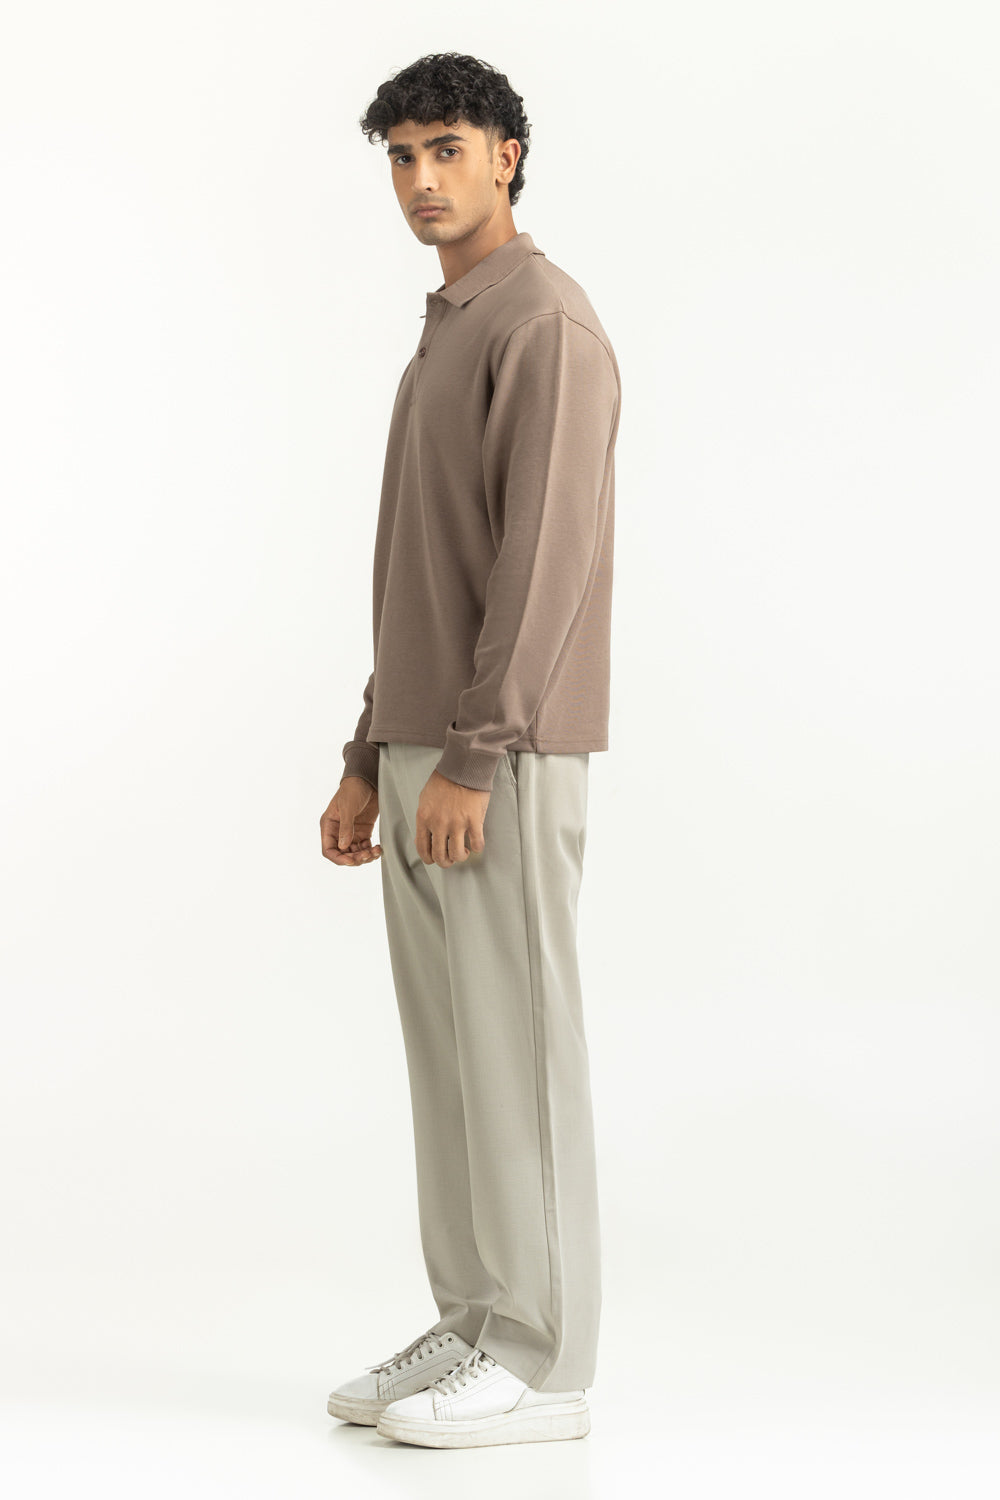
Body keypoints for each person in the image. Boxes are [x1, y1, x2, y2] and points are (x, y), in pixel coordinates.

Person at [320, 51, 622, 1450]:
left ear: (507, 154)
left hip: (497, 756)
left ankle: (546, 1363)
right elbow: (423, 569)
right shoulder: (447, 329)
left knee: (521, 1048)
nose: (421, 179)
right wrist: (367, 747)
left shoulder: (543, 324)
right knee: (451, 1058)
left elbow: (543, 566)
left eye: (446, 148)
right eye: (401, 155)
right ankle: (479, 1320)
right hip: (422, 747)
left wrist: (475, 755)